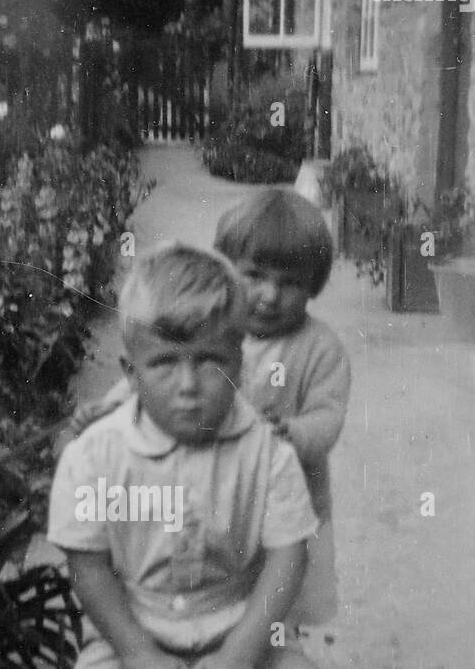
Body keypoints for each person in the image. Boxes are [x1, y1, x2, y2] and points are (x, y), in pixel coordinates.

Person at [1, 242, 384, 669]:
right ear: (129, 371)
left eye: (209, 361)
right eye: (164, 363)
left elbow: (289, 557)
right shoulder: (95, 454)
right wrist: (136, 653)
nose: (188, 386)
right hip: (132, 622)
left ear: (240, 359)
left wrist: (240, 652)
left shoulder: (267, 451)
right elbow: (86, 563)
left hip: (236, 618)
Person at [69, 186, 348, 627]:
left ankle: (276, 655)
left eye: (291, 282)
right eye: (254, 275)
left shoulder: (319, 348)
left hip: (288, 497)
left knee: (280, 598)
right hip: (220, 484)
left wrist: (293, 433)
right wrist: (110, 408)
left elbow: (328, 417)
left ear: (313, 285)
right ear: (227, 270)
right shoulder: (211, 331)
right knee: (211, 575)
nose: (270, 295)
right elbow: (157, 373)